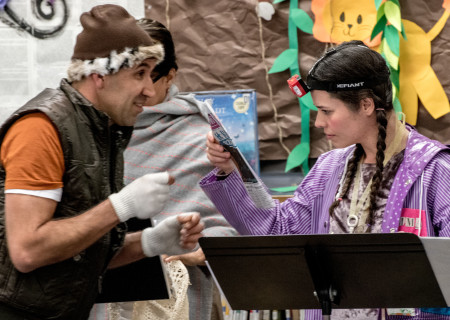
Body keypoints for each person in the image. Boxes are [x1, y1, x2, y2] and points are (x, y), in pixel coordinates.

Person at [200, 40, 450, 320]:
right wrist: (230, 170)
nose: (318, 122)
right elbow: (278, 231)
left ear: (366, 104)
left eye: (327, 111)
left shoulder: (436, 171)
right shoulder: (329, 168)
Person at [0, 5, 203, 320]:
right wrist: (120, 206)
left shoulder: (104, 132)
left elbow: (78, 251)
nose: (149, 90)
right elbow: (28, 251)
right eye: (139, 74)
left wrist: (149, 242)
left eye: (152, 75)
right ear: (99, 76)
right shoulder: (41, 128)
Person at [96, 18, 238, 320]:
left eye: (151, 75)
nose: (141, 88)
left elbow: (243, 218)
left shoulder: (202, 134)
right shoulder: (94, 130)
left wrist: (205, 248)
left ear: (171, 75)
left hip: (180, 298)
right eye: (132, 75)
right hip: (100, 297)